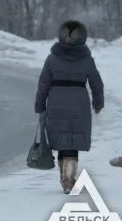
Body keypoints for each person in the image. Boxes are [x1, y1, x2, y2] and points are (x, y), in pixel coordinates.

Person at [34, 20, 104, 193]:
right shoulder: (87, 60)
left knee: (62, 142)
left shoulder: (52, 59)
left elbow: (43, 84)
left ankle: (64, 179)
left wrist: (40, 104)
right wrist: (98, 102)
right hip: (79, 103)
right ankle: (69, 179)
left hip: (56, 102)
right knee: (72, 144)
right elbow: (97, 84)